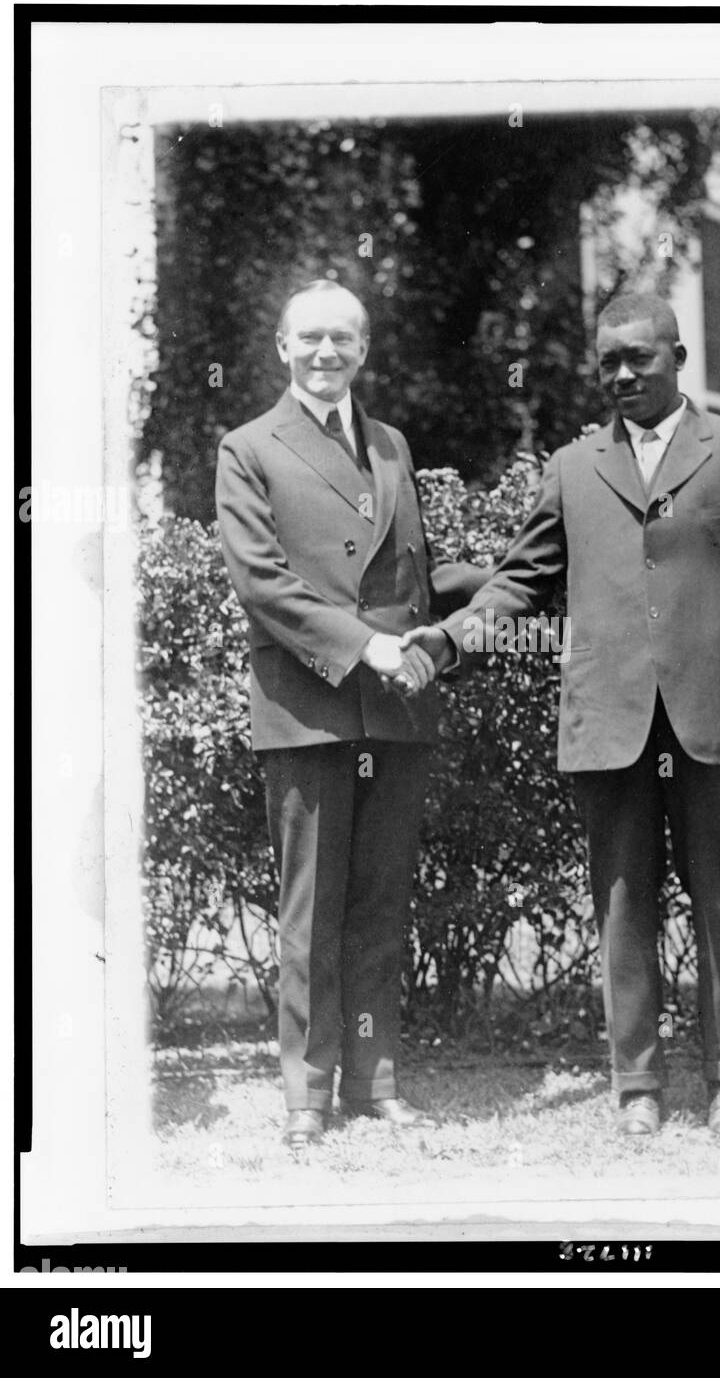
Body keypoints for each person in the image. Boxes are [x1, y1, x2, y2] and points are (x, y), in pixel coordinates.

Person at [404, 293, 720, 1137]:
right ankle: (637, 1085)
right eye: (609, 363)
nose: (623, 375)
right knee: (622, 904)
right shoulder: (573, 466)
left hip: (717, 716)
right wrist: (447, 641)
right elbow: (520, 581)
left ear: (677, 358)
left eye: (640, 358)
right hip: (608, 720)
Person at [215, 280, 485, 1146]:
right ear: (281, 349)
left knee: (377, 905)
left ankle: (376, 1081)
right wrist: (360, 645)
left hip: (395, 711)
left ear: (363, 351)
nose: (327, 354)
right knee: (311, 909)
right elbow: (262, 583)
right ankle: (308, 1093)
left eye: (344, 340)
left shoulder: (392, 445)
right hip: (311, 706)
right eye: (311, 339)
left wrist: (499, 592)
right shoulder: (248, 447)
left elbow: (412, 579)